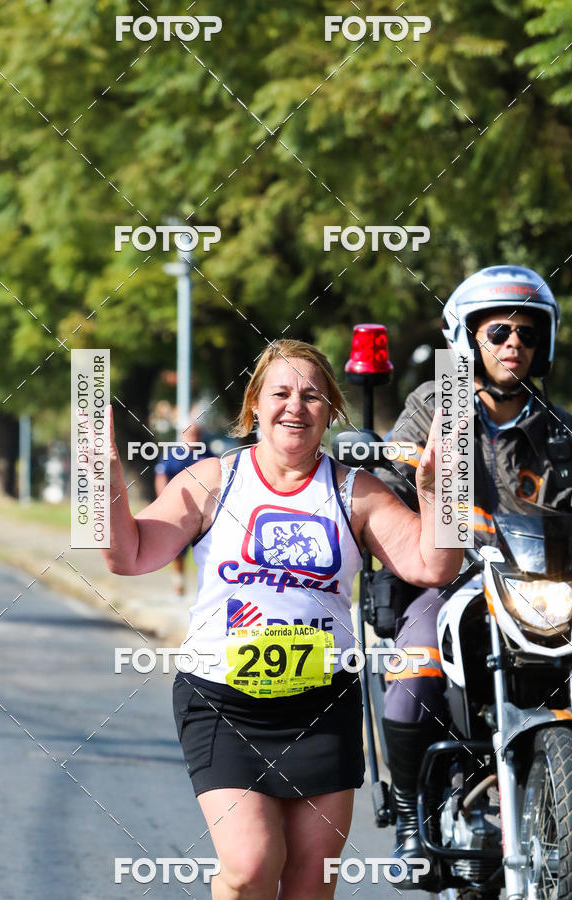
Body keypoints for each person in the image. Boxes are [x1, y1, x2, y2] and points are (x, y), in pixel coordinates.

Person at [101, 338, 462, 900]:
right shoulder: (212, 481)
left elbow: (433, 566)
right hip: (223, 701)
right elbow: (128, 556)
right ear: (254, 406)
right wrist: (101, 476)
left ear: (330, 411)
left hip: (322, 705)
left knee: (310, 881)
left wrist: (441, 495)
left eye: (313, 395)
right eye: (282, 392)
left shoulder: (353, 491)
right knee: (249, 866)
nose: (296, 405)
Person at [376, 265, 572, 885]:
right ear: (468, 340)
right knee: (416, 666)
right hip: (450, 581)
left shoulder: (558, 429)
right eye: (499, 332)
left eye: (526, 333)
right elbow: (392, 482)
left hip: (540, 587)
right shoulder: (434, 407)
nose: (515, 343)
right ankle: (412, 821)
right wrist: (406, 486)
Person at [154, 422, 214, 595]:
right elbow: (161, 477)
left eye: (196, 434)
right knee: (178, 547)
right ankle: (178, 578)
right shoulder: (172, 455)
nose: (193, 438)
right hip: (179, 508)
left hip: (204, 509)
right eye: (190, 434)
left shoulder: (208, 455)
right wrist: (164, 502)